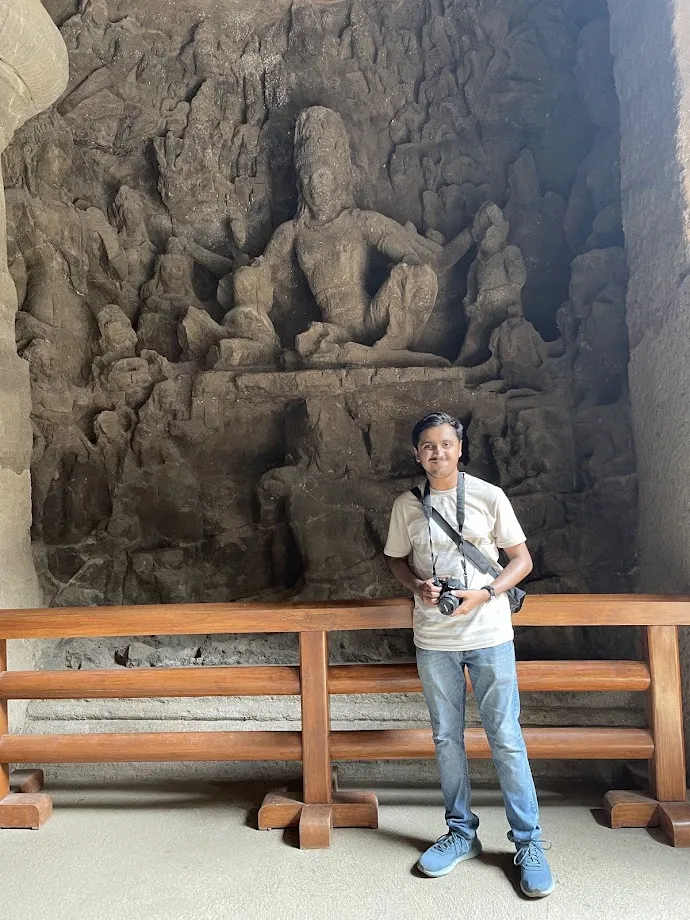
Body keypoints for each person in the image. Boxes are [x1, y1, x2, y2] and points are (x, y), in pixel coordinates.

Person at [383, 411, 554, 898]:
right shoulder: (406, 505)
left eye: (446, 444)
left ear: (460, 448)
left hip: (490, 632)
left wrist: (486, 592)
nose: (438, 452)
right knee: (445, 738)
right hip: (433, 638)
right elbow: (395, 559)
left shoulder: (487, 495)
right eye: (428, 446)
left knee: (505, 737)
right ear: (417, 454)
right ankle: (461, 833)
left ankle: (529, 842)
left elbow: (522, 559)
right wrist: (418, 585)